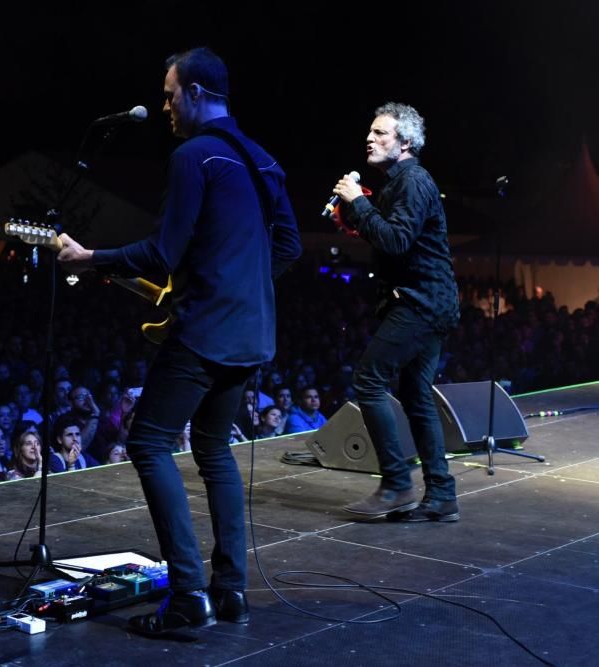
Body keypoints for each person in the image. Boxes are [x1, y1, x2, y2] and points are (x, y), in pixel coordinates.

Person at [57, 47, 300, 634]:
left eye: (169, 95)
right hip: (253, 335)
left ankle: (189, 593)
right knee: (214, 450)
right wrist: (240, 285)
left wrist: (91, 257)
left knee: (148, 443)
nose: (165, 106)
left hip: (206, 332)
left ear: (194, 92)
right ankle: (231, 589)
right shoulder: (264, 162)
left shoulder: (195, 155)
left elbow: (164, 251)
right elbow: (288, 247)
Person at [331, 102, 459, 522]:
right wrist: (355, 212)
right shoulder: (397, 182)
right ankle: (441, 493)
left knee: (368, 380)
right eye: (370, 132)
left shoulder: (414, 180)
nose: (370, 138)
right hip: (428, 301)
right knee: (415, 394)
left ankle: (397, 483)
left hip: (421, 302)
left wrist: (359, 204)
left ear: (405, 142)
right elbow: (388, 235)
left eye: (381, 133)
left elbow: (397, 240)